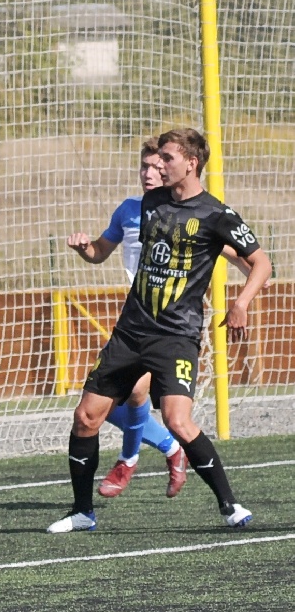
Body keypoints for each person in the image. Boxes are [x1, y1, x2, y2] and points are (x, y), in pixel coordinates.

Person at [49, 128, 271, 533]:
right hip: (130, 331)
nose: (158, 167)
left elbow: (261, 263)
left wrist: (240, 303)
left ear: (191, 163)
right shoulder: (150, 203)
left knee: (177, 421)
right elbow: (103, 251)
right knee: (85, 417)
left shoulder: (217, 215)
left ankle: (230, 505)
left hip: (176, 335)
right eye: (155, 161)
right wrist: (86, 249)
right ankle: (82, 511)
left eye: (167, 159)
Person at [67, 138, 188, 498]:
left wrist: (247, 282)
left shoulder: (189, 210)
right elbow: (101, 251)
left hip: (173, 320)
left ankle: (128, 459)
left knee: (137, 393)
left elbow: (225, 246)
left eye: (157, 167)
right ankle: (170, 447)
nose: (149, 173)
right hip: (137, 317)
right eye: (144, 166)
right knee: (101, 405)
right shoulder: (129, 210)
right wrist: (86, 248)